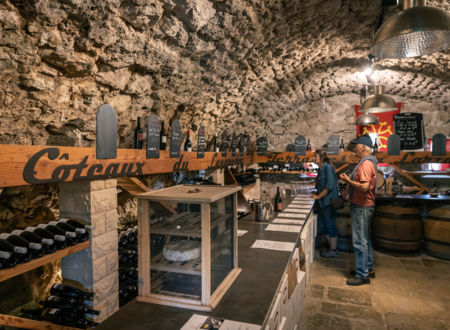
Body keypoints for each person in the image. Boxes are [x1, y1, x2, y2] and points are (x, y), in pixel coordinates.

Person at [339, 134, 377, 286]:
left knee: (359, 240)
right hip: (364, 206)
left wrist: (348, 180)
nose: (354, 148)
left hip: (361, 206)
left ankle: (362, 275)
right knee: (365, 239)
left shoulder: (366, 164)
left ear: (363, 147)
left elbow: (364, 187)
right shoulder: (368, 162)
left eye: (356, 145)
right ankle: (368, 268)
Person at [312, 149, 339, 258]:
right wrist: (316, 190)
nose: (313, 158)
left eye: (315, 156)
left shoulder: (327, 168)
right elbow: (322, 185)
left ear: (321, 158)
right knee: (324, 225)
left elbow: (330, 186)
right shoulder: (321, 169)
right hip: (323, 202)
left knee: (330, 225)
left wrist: (318, 196)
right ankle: (331, 248)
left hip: (328, 202)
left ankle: (334, 250)